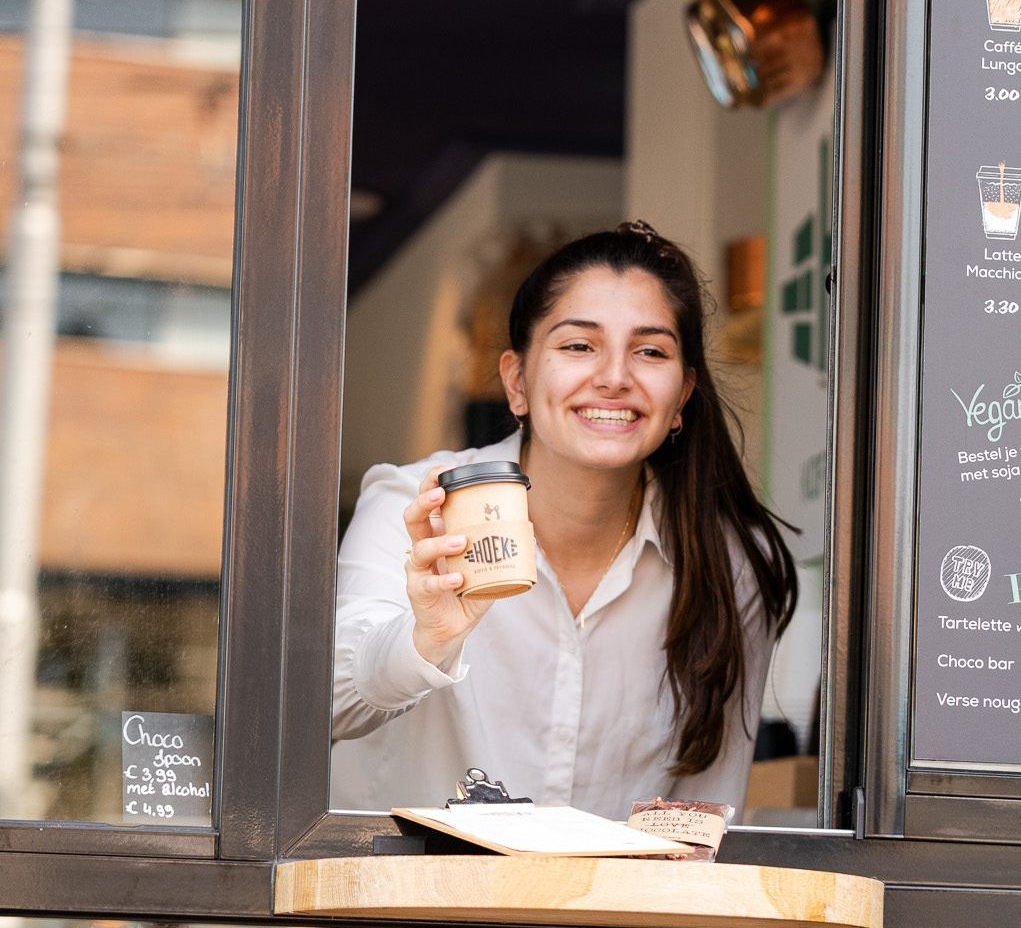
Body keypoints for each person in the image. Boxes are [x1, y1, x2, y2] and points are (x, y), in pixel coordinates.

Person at [331, 222, 798, 817]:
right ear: (517, 381)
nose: (613, 376)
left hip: (608, 912)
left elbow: (704, 814)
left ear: (681, 397)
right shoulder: (418, 508)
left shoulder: (729, 562)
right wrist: (429, 639)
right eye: (579, 346)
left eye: (650, 350)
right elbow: (330, 705)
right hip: (406, 908)